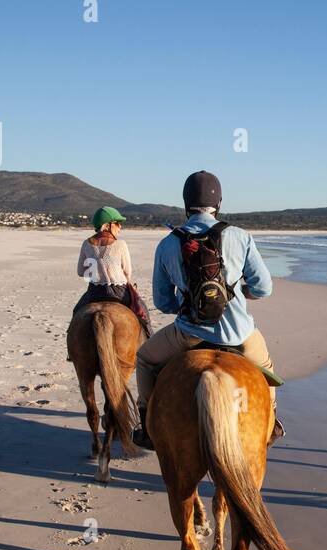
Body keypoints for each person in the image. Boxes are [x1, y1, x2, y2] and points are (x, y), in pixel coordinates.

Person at [133, 170, 282, 449]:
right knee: (266, 369)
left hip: (188, 334)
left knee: (144, 359)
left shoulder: (167, 244)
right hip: (239, 334)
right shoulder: (239, 236)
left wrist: (188, 302)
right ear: (219, 203)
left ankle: (147, 425)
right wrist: (241, 293)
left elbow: (163, 302)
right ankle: (271, 423)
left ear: (186, 204)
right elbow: (264, 288)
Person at [74, 206, 152, 336]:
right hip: (119, 292)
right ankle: (149, 337)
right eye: (117, 223)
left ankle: (71, 354)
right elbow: (127, 272)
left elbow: (81, 272)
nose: (120, 227)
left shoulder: (86, 244)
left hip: (94, 291)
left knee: (76, 312)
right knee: (143, 313)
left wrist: (96, 268)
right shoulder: (120, 244)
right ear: (107, 225)